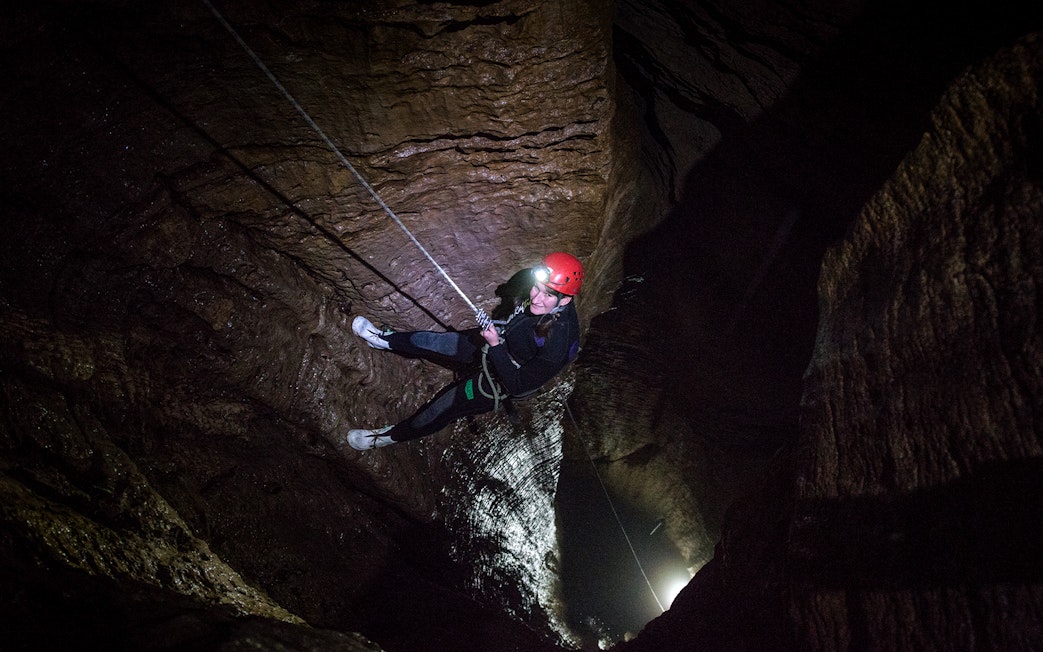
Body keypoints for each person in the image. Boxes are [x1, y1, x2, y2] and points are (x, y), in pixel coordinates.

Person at [343, 252, 584, 450]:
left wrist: (495, 345)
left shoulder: (558, 345)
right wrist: (497, 334)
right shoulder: (543, 302)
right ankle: (383, 340)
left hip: (501, 379)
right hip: (497, 341)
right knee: (433, 341)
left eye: (547, 295)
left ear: (564, 301)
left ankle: (387, 437)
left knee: (443, 407)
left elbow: (518, 384)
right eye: (537, 288)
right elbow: (521, 317)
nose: (536, 298)